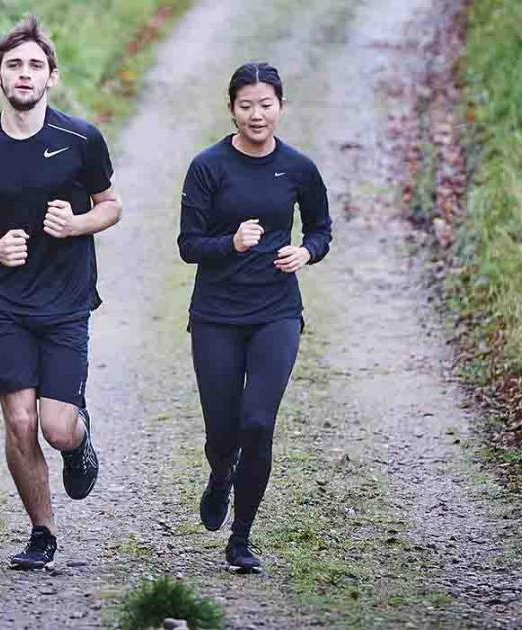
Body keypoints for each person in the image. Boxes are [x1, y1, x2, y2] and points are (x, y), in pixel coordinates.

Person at [0, 15, 122, 570]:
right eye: (15, 65)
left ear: (52, 76)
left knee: (55, 426)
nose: (25, 74)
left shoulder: (80, 140)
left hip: (67, 300)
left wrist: (76, 224)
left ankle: (79, 437)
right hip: (4, 302)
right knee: (20, 423)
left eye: (36, 66)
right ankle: (41, 533)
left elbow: (111, 206)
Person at [178, 62, 332, 573]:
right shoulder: (208, 166)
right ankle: (220, 474)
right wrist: (231, 243)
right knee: (223, 432)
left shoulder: (299, 168)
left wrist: (306, 253)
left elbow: (321, 228)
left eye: (266, 105)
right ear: (232, 109)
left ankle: (241, 539)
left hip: (276, 311)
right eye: (246, 105)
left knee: (258, 423)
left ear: (281, 107)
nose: (257, 115)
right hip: (217, 314)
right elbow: (188, 245)